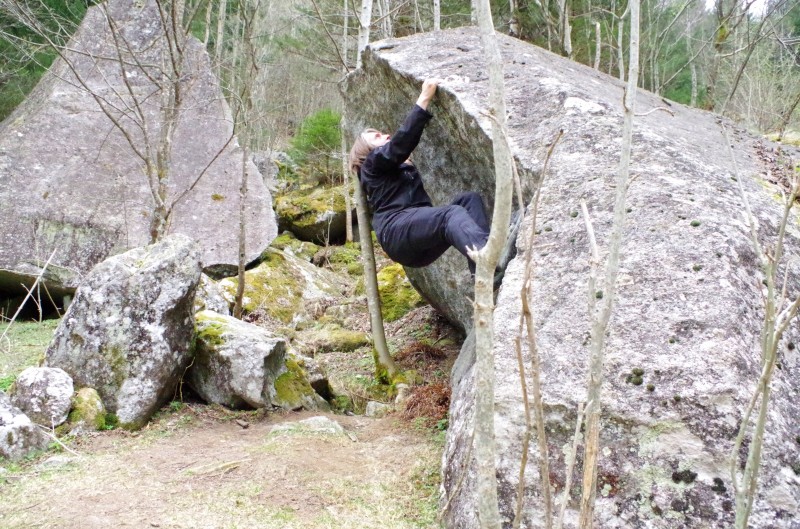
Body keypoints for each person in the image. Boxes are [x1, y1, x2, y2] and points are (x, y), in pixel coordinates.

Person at [348, 79, 490, 275]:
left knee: (469, 200)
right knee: (450, 215)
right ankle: (487, 257)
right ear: (368, 151)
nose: (386, 135)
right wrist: (424, 98)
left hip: (417, 246)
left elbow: (397, 152)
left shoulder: (394, 169)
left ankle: (483, 275)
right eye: (377, 137)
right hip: (396, 231)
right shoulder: (371, 164)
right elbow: (400, 144)